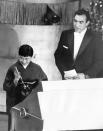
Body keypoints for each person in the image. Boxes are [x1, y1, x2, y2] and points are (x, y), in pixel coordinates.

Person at [3, 44, 48, 130]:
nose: (23, 61)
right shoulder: (12, 68)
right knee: (15, 125)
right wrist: (15, 80)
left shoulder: (37, 68)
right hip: (16, 101)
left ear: (32, 57)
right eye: (21, 58)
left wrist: (36, 87)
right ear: (18, 56)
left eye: (26, 58)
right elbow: (6, 86)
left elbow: (44, 82)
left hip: (31, 101)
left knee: (30, 124)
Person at [54, 9, 103, 80]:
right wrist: (64, 73)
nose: (77, 25)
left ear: (87, 23)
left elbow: (100, 61)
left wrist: (85, 75)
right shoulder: (65, 34)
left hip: (87, 81)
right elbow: (58, 55)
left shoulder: (96, 37)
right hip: (68, 79)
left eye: (81, 22)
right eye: (75, 21)